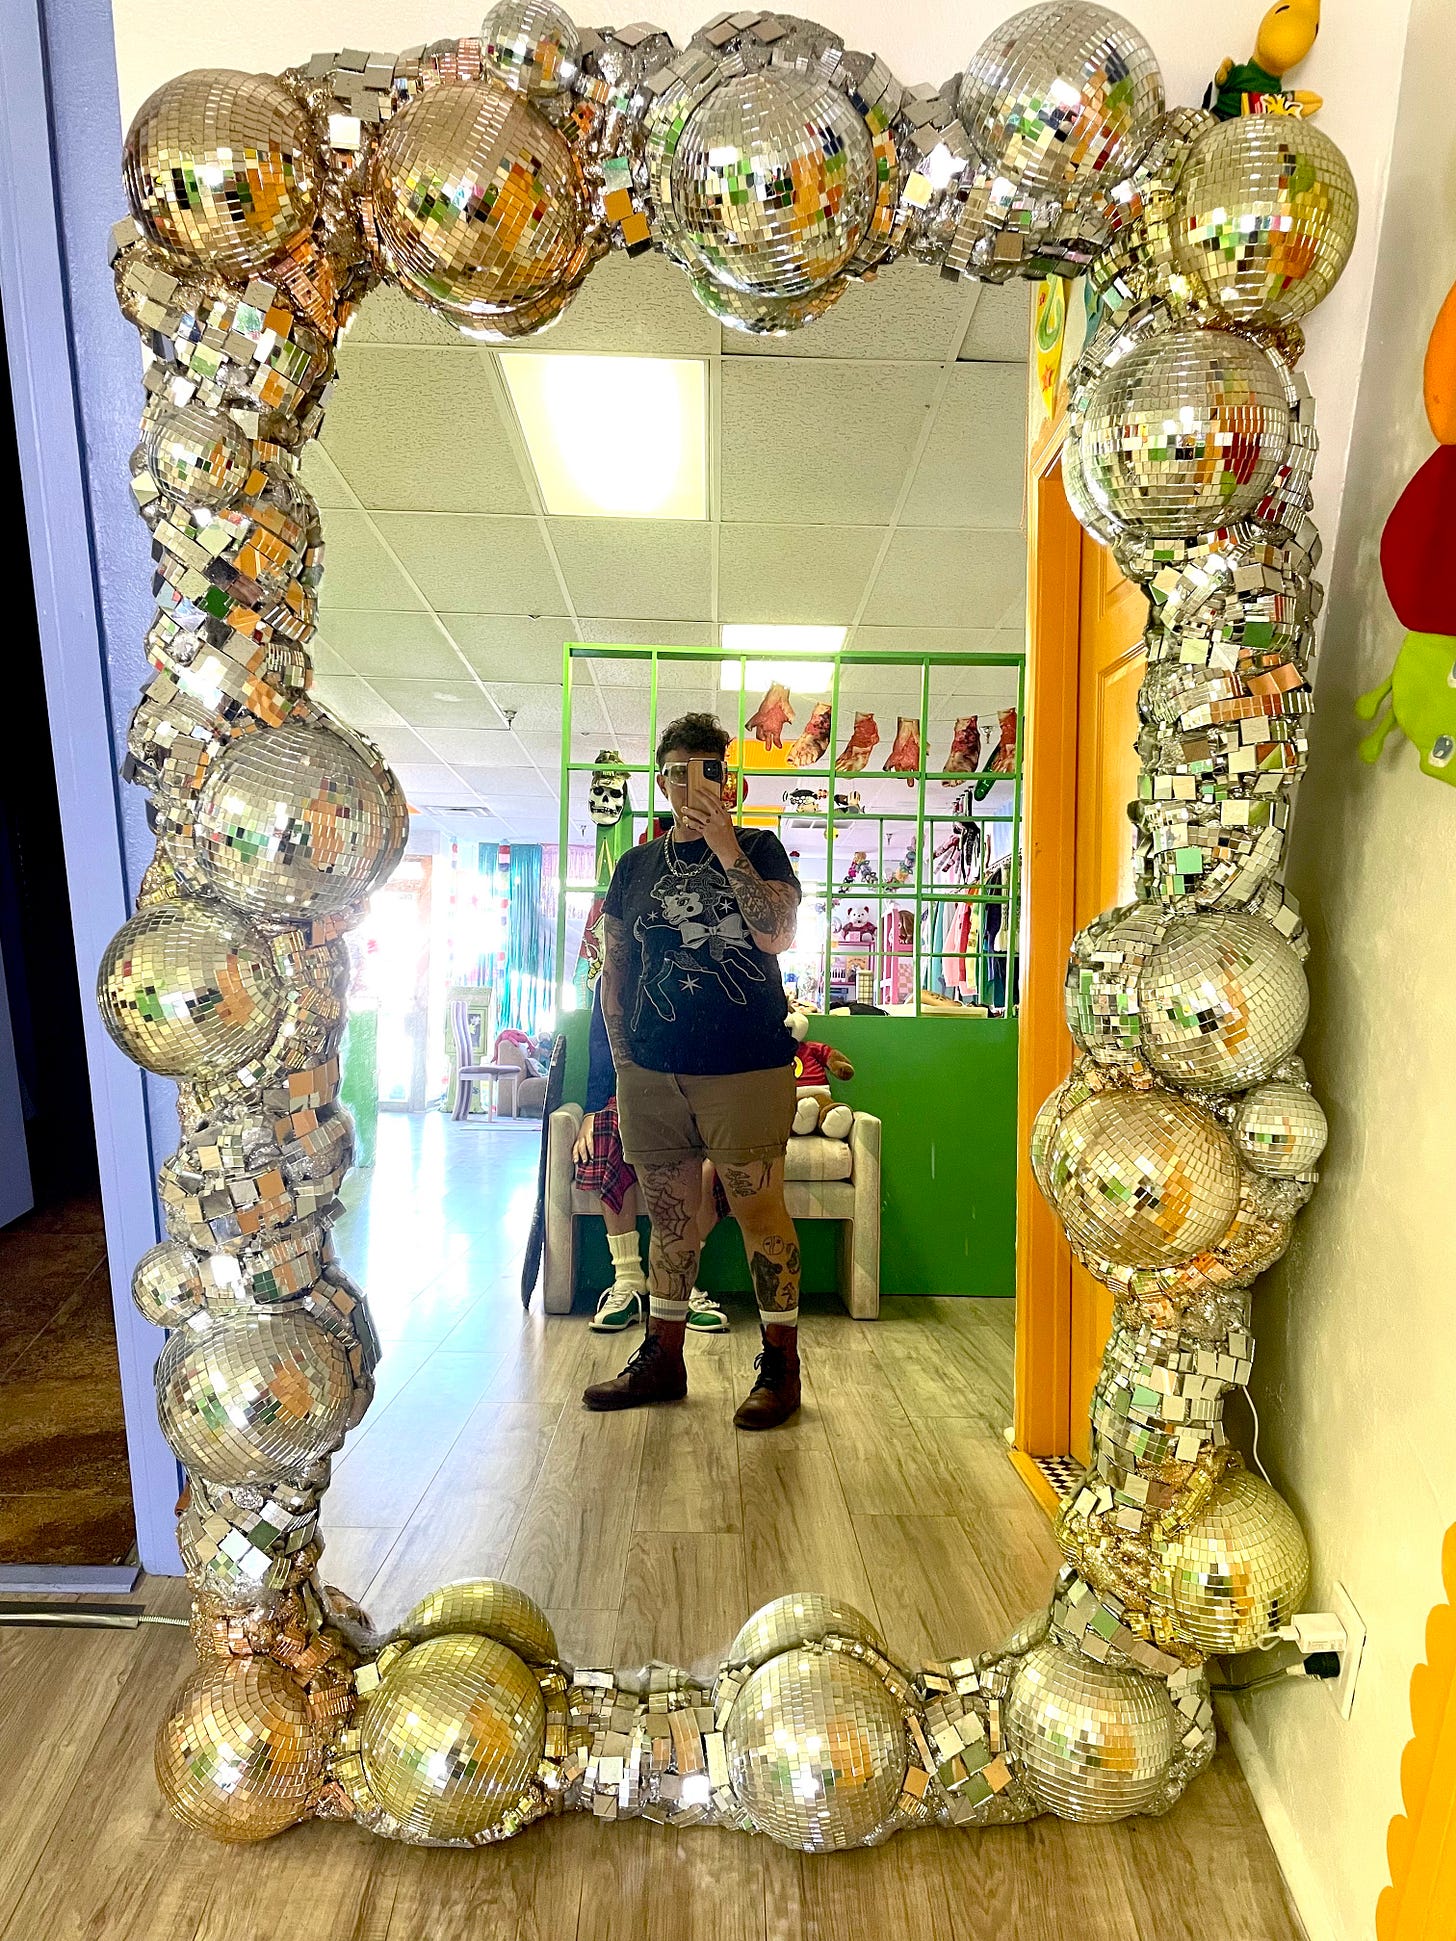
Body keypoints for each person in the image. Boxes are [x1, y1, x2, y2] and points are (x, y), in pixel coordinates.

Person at [583, 713, 804, 1428]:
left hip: (746, 1067)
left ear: (725, 779)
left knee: (759, 1213)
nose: (691, 785)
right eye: (677, 772)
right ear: (661, 781)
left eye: (706, 771)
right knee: (671, 1219)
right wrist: (622, 1062)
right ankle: (664, 1357)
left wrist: (723, 844)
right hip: (652, 1070)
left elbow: (776, 934)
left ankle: (782, 1367)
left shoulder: (760, 848)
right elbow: (616, 969)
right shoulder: (635, 867)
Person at [573, 982, 729, 1334]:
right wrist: (592, 1110)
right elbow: (602, 1046)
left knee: (729, 1151)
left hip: (701, 1089)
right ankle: (628, 1279)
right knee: (606, 1129)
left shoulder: (709, 969)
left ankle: (681, 1278)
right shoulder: (617, 976)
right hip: (634, 1087)